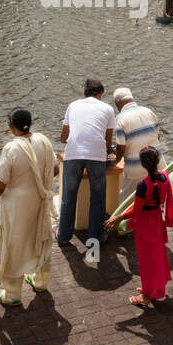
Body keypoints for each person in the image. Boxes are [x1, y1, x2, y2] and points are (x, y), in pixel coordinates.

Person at [0, 109, 58, 306]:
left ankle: (11, 295)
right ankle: (41, 282)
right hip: (40, 201)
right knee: (41, 237)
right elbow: (55, 169)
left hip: (17, 206)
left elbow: (1, 183)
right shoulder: (43, 141)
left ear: (12, 127)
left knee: (14, 244)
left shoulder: (11, 148)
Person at [104, 146, 173, 308]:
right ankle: (152, 288)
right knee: (156, 255)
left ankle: (146, 296)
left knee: (146, 260)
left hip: (145, 224)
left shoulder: (143, 185)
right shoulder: (165, 177)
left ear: (143, 165)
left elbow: (136, 211)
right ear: (157, 161)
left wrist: (118, 217)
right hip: (157, 220)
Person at [57, 79, 117, 247]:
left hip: (73, 154)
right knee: (98, 198)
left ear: (84, 94)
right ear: (101, 95)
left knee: (68, 197)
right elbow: (107, 141)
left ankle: (63, 236)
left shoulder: (73, 105)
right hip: (97, 156)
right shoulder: (107, 108)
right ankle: (95, 238)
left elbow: (63, 138)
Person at [112, 88, 160, 200]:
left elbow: (121, 148)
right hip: (157, 165)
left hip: (135, 170)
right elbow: (157, 137)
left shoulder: (120, 119)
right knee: (155, 199)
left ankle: (124, 218)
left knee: (126, 201)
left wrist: (115, 160)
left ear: (118, 103)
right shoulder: (149, 111)